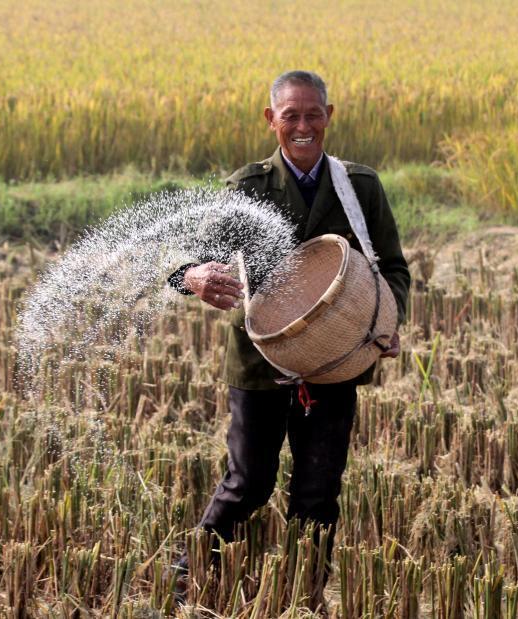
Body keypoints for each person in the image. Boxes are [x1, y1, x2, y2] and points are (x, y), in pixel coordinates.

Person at [168, 70, 410, 609]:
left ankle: (305, 597)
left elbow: (392, 268)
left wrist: (389, 320)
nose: (303, 126)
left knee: (318, 492)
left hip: (333, 362)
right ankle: (186, 576)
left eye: (313, 114)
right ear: (271, 120)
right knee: (249, 483)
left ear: (329, 115)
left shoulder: (359, 188)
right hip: (260, 365)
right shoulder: (247, 189)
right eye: (291, 115)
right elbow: (183, 265)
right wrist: (195, 278)